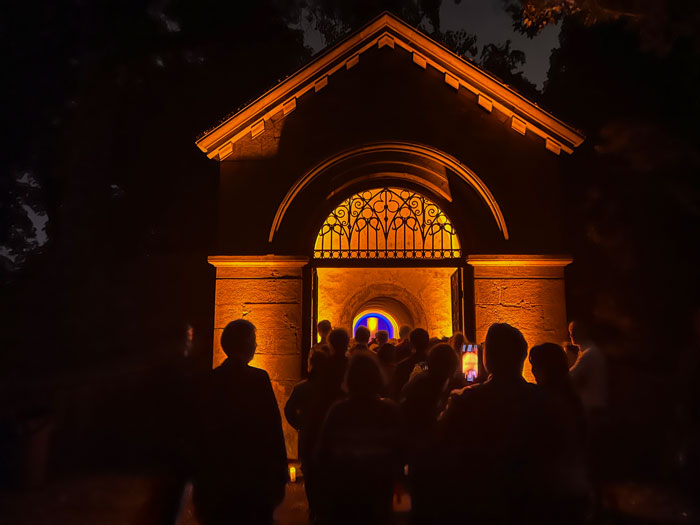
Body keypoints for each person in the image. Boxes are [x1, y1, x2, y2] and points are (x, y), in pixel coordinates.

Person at [437, 323, 556, 523]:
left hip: (479, 501)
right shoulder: (544, 401)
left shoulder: (465, 401)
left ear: (487, 358)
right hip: (530, 503)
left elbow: (443, 445)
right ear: (522, 357)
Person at [191, 319, 287, 525]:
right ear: (247, 345)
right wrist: (279, 474)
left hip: (218, 481)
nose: (256, 345)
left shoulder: (209, 380)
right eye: (254, 341)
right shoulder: (259, 379)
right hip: (253, 481)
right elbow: (272, 428)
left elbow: (200, 431)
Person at [315, 351, 403, 524]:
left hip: (346, 488)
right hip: (379, 487)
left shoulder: (339, 411)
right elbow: (401, 449)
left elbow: (323, 454)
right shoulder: (389, 411)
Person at [529, 343, 590, 520]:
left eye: (535, 366)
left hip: (556, 490)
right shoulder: (573, 397)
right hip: (575, 486)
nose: (532, 372)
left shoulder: (545, 402)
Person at [400, 344, 459, 524]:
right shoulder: (458, 388)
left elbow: (405, 416)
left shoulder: (417, 384)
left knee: (421, 507)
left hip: (421, 457)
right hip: (448, 461)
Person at [285, 347, 343, 521]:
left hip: (309, 436)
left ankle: (314, 509)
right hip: (330, 438)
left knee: (310, 475)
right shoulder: (335, 389)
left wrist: (299, 425)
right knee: (329, 474)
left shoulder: (301, 388)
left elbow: (289, 410)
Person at [569, 320, 608, 419]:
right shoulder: (586, 352)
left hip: (592, 408)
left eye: (574, 331)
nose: (571, 334)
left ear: (584, 331)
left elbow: (569, 378)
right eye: (570, 331)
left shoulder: (589, 354)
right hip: (594, 406)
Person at [391, 328, 430, 400]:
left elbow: (397, 392)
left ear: (411, 343)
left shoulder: (402, 366)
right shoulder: (435, 364)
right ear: (428, 342)